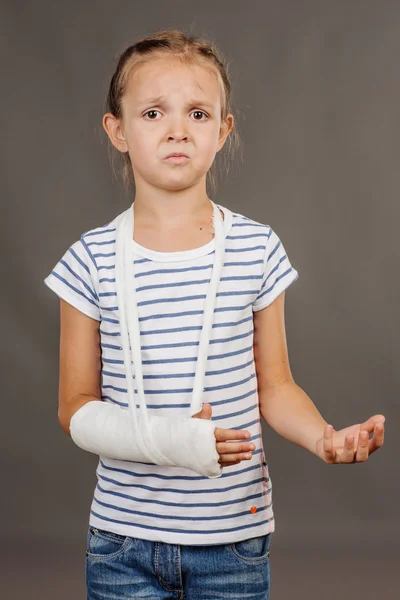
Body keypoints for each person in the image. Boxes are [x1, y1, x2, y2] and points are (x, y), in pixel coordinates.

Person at [43, 28, 385, 600]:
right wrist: (170, 438)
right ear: (117, 130)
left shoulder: (257, 248)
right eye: (153, 112)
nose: (177, 129)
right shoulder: (90, 260)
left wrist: (324, 437)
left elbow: (275, 386)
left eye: (198, 113)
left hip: (232, 541)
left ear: (223, 130)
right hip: (123, 541)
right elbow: (74, 408)